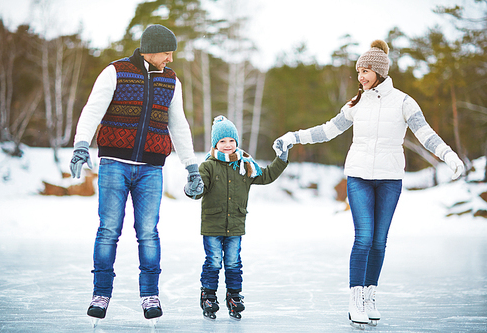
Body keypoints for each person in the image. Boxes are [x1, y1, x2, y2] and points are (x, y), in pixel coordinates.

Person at [272, 40, 465, 328]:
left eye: (366, 71)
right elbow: (327, 130)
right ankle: (356, 299)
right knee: (363, 237)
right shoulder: (355, 104)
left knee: (379, 241)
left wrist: (448, 155)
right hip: (359, 176)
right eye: (359, 70)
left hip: (390, 179)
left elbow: (425, 133)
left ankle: (370, 295)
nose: (361, 76)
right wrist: (294, 136)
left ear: (380, 71)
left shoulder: (403, 102)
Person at [69, 24, 204, 323]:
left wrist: (191, 167)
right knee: (108, 231)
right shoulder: (115, 71)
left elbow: (178, 125)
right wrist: (81, 145)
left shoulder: (171, 80)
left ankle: (149, 296)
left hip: (151, 168)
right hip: (114, 164)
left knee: (148, 233)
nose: (170, 58)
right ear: (153, 49)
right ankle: (100, 295)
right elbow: (93, 109)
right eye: (167, 53)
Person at [188, 115, 288, 320]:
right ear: (216, 143)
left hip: (235, 225)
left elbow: (266, 175)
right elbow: (198, 190)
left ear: (236, 143)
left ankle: (234, 296)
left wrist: (282, 159)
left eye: (231, 141)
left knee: (233, 262)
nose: (227, 145)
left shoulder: (245, 166)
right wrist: (193, 188)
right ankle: (208, 296)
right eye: (222, 141)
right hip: (212, 225)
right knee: (214, 261)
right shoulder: (207, 166)